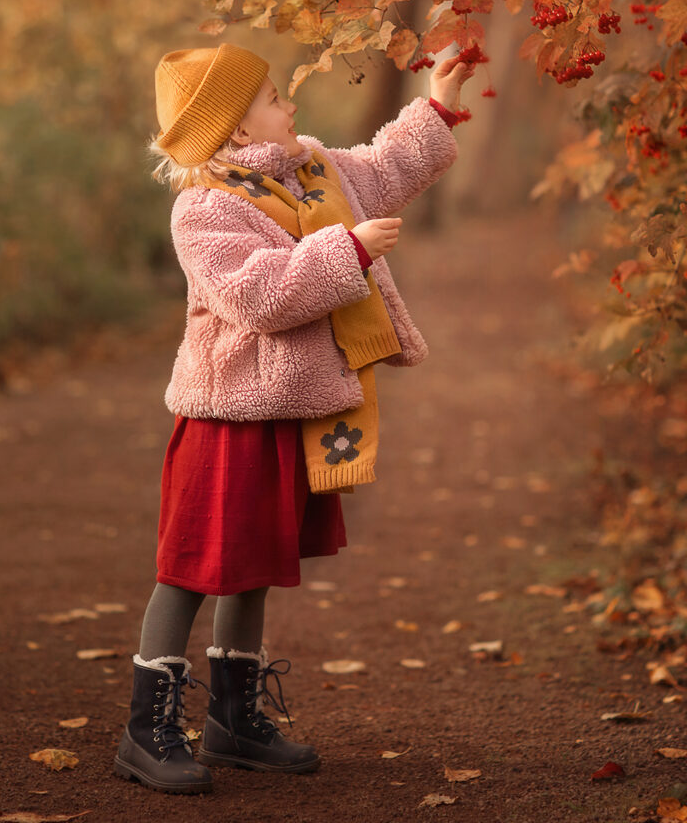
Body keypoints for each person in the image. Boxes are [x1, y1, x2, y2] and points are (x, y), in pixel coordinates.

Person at [113, 42, 476, 795]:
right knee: (191, 567)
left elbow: (383, 169)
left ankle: (233, 720)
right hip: (226, 417)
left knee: (253, 566)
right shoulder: (204, 212)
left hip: (287, 410)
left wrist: (437, 100)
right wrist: (346, 250)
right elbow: (261, 297)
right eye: (276, 97)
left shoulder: (313, 171)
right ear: (238, 134)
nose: (292, 106)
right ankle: (147, 729)